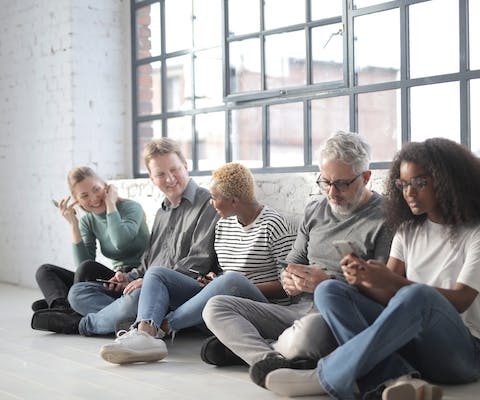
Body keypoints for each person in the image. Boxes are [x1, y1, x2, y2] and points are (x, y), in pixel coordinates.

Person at [263, 138, 480, 400]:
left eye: (419, 183)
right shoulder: (408, 230)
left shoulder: (475, 232)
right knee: (330, 289)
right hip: (412, 345)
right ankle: (392, 379)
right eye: (403, 184)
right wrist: (363, 279)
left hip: (461, 353)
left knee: (418, 296)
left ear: (448, 181)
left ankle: (326, 376)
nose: (409, 192)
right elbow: (388, 296)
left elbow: (460, 300)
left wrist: (390, 281)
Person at [201, 131, 392, 387]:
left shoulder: (385, 218)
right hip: (297, 310)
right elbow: (290, 262)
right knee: (215, 306)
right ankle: (272, 360)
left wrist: (328, 283)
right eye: (325, 182)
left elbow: (385, 294)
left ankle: (256, 350)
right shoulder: (315, 209)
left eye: (342, 184)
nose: (332, 192)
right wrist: (288, 279)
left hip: (338, 317)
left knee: (308, 335)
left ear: (366, 177)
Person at [99, 162, 298, 364]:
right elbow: (225, 272)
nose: (211, 203)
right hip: (219, 307)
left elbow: (288, 288)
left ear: (234, 201)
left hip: (259, 310)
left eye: (214, 198)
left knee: (231, 281)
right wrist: (213, 280)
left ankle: (162, 329)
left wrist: (230, 286)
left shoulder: (275, 225)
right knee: (157, 273)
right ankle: (145, 334)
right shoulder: (223, 226)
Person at [32, 138, 219, 343]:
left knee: (138, 298)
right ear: (151, 178)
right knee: (78, 292)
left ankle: (81, 324)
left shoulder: (207, 203)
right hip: (147, 287)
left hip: (180, 290)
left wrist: (147, 282)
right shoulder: (161, 212)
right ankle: (139, 320)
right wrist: (128, 278)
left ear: (186, 165)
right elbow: (148, 262)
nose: (170, 179)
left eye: (174, 170)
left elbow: (199, 261)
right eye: (160, 174)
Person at [31, 167, 150, 328]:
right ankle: (61, 307)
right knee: (45, 271)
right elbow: (83, 264)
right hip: (114, 279)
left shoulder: (131, 208)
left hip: (136, 277)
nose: (94, 198)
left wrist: (110, 204)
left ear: (106, 187)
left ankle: (67, 309)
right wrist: (74, 224)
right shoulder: (88, 221)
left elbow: (120, 242)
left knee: (87, 269)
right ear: (77, 200)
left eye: (96, 189)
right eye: (84, 195)